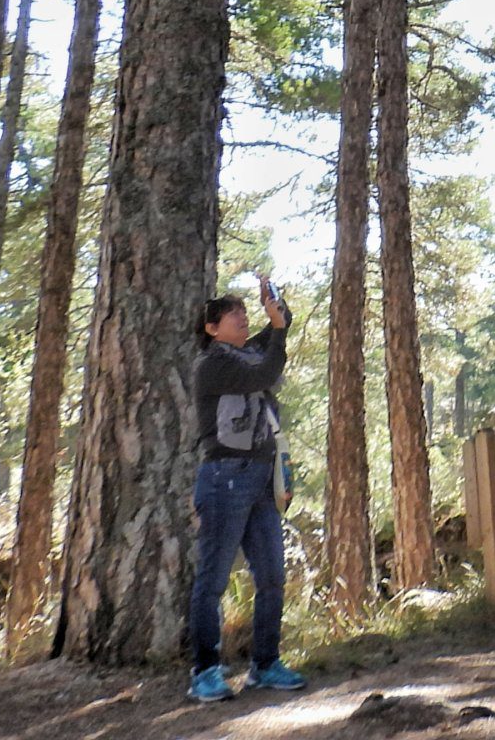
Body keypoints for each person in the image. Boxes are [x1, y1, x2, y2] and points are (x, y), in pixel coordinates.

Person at [186, 276, 307, 702]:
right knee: (213, 580)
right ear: (212, 329)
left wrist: (273, 302)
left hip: (259, 477)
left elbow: (281, 323)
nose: (243, 318)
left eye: (244, 312)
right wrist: (275, 328)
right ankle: (204, 672)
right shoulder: (216, 364)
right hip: (224, 478)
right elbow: (269, 367)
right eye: (233, 314)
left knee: (272, 576)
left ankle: (266, 665)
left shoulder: (247, 352)